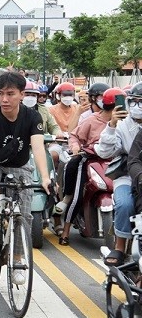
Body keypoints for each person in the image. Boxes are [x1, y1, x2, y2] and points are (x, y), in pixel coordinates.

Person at [0, 71, 52, 279]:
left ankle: (18, 257)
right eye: (0, 93)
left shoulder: (32, 117)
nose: (4, 99)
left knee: (25, 213)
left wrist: (45, 178)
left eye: (10, 94)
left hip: (20, 166)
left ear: (21, 94)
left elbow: (38, 149)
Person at [55, 87, 117, 245]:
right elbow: (74, 135)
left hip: (116, 162)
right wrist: (75, 147)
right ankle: (66, 230)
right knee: (77, 196)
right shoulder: (91, 119)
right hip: (90, 160)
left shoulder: (125, 122)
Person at [95, 83, 142, 265]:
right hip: (128, 175)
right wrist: (112, 125)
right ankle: (120, 246)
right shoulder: (122, 125)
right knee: (124, 204)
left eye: (141, 102)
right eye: (135, 101)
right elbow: (105, 152)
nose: (138, 105)